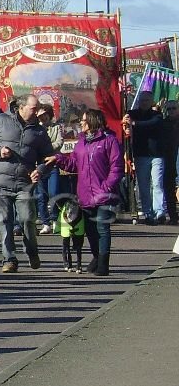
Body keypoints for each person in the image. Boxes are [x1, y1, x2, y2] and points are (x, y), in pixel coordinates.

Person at [0, 94, 55, 273]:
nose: (37, 112)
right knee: (4, 221)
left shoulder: (39, 132)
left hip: (24, 183)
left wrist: (40, 170)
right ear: (21, 107)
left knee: (27, 219)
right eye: (34, 109)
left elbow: (49, 158)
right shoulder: (0, 121)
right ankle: (9, 258)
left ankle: (32, 251)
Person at [47, 108, 124, 276]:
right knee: (90, 230)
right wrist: (58, 159)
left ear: (92, 121)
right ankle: (97, 257)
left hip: (103, 193)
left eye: (83, 120)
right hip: (85, 194)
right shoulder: (81, 142)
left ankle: (103, 263)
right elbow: (74, 164)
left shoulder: (109, 140)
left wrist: (107, 187)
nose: (81, 123)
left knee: (102, 228)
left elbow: (117, 167)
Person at [124, 91, 167, 224]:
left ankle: (159, 211)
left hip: (157, 155)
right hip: (141, 154)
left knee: (157, 183)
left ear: (151, 101)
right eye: (142, 100)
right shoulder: (132, 113)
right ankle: (148, 212)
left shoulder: (157, 115)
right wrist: (126, 123)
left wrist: (135, 124)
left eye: (147, 100)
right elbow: (125, 121)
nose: (144, 103)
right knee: (143, 185)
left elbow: (153, 123)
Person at [36, 104, 64, 234]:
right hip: (40, 165)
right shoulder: (36, 129)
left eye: (45, 114)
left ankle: (55, 219)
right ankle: (45, 222)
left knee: (53, 193)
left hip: (53, 164)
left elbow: (59, 142)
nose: (43, 117)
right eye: (40, 115)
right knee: (41, 196)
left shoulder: (56, 127)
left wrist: (46, 148)